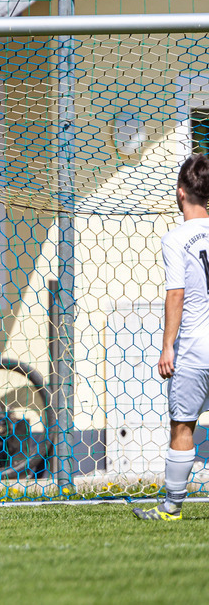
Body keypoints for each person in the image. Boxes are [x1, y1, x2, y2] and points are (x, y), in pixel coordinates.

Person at [132, 153, 209, 521]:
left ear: (181, 193)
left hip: (195, 350)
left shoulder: (175, 238)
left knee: (183, 425)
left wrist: (167, 347)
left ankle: (171, 509)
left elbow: (175, 293)